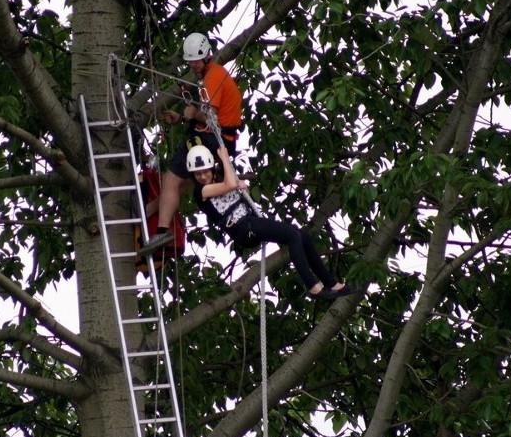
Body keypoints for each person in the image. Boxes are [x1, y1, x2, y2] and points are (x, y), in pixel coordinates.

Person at [187, 145, 356, 299]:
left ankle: (332, 284)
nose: (202, 176)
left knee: (302, 235)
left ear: (211, 167)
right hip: (243, 229)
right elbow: (230, 184)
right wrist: (224, 158)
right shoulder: (200, 191)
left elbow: (230, 182)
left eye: (205, 171)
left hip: (250, 222)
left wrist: (238, 183)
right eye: (197, 174)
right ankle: (313, 287)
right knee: (292, 236)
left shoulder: (220, 179)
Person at [138, 32, 243, 256]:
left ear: (207, 57)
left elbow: (210, 117)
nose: (193, 65)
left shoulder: (213, 77)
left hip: (209, 138)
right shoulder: (214, 74)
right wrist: (183, 117)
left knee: (170, 180)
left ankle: (162, 231)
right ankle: (147, 211)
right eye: (190, 61)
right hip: (222, 139)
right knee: (181, 184)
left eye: (195, 61)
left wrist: (193, 113)